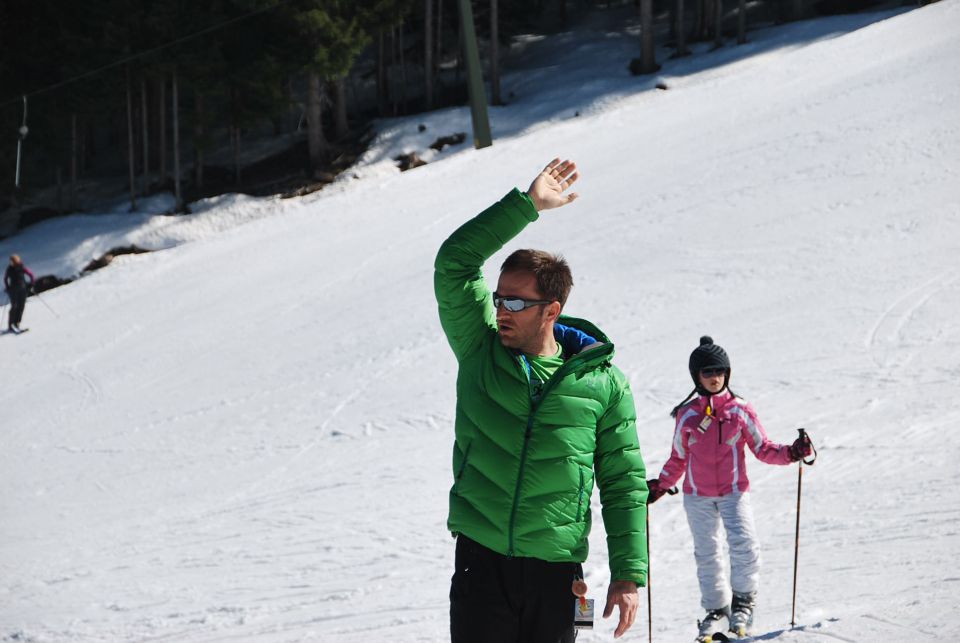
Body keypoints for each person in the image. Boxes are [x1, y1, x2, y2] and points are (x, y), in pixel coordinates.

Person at [434, 159, 649, 642]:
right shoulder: (480, 350)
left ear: (551, 311)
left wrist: (629, 575)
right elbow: (455, 262)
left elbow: (623, 481)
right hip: (481, 563)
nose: (500, 310)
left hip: (559, 573)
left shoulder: (603, 383)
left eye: (515, 302)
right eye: (498, 298)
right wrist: (526, 206)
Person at [646, 336, 813, 640]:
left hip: (734, 492)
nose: (714, 378)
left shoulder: (739, 411)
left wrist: (791, 452)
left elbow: (763, 448)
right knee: (707, 553)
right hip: (697, 496)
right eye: (707, 372)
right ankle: (715, 610)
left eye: (720, 372)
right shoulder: (687, 415)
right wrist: (660, 486)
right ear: (696, 376)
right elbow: (678, 458)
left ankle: (743, 604)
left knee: (745, 546)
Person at [4, 254, 35, 333]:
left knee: (21, 306)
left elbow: (31, 275)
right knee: (14, 306)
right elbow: (5, 279)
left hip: (22, 289)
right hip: (13, 290)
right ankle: (11, 325)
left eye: (14, 260)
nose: (13, 262)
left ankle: (17, 323)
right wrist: (8, 287)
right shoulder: (10, 269)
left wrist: (31, 284)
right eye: (12, 261)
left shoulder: (21, 267)